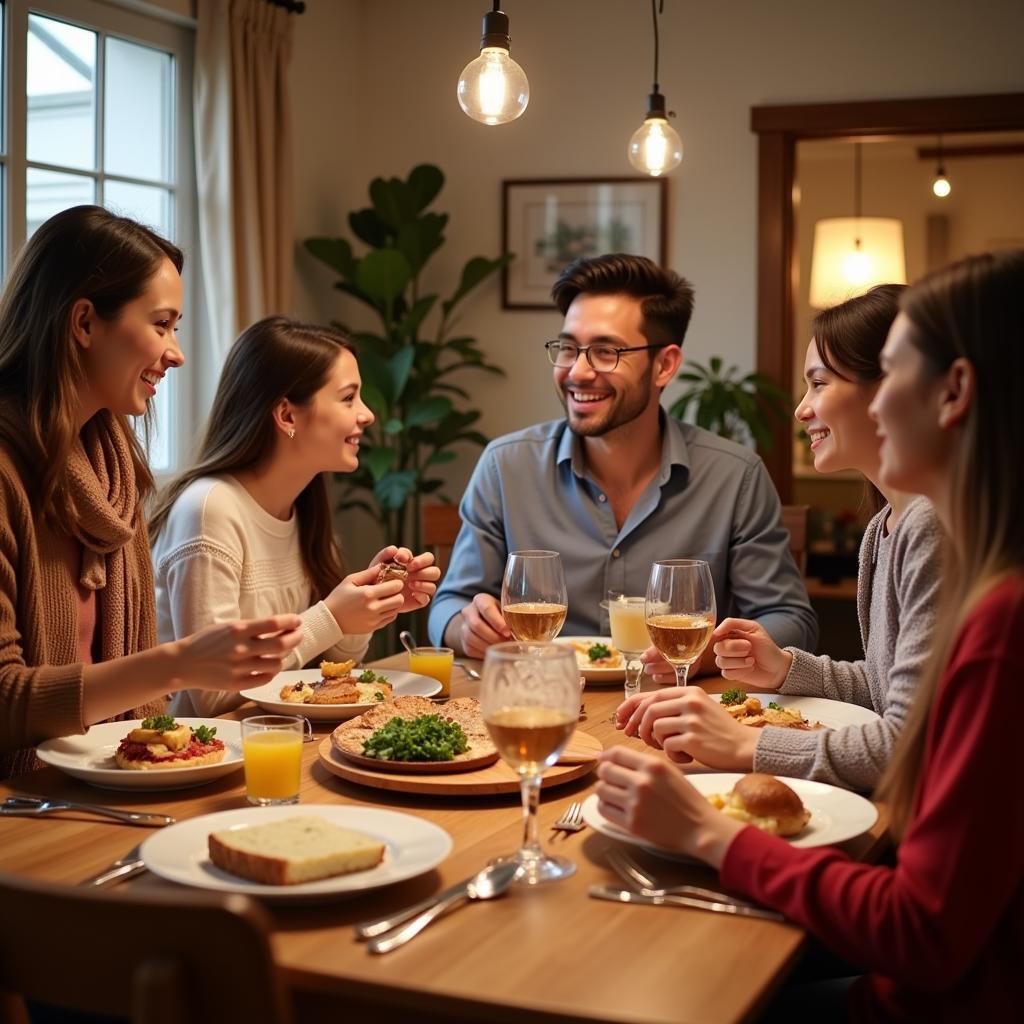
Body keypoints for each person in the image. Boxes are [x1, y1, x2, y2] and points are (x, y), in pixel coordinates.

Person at [596, 250, 1024, 1020]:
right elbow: (903, 689)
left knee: (664, 977)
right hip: (942, 967)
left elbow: (923, 930)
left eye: (882, 373)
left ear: (954, 391)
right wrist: (789, 668)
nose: (801, 409)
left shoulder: (1001, 621)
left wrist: (714, 827)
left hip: (946, 997)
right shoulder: (919, 546)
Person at [0, 206, 302, 780]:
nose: (177, 352)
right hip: (21, 810)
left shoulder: (114, 472)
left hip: (106, 790)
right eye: (161, 325)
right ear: (84, 323)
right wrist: (177, 664)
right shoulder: (7, 475)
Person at [616, 285, 942, 790]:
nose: (802, 409)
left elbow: (909, 745)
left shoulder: (930, 526)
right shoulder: (885, 527)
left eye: (819, 384)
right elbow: (888, 691)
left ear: (889, 388)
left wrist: (744, 745)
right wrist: (786, 669)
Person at [428, 253, 817, 663]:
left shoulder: (735, 477)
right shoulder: (505, 466)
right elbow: (449, 606)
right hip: (540, 706)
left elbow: (790, 620)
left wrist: (708, 652)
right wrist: (464, 627)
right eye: (568, 348)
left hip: (670, 711)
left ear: (664, 365)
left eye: (605, 351)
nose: (577, 371)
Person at [150, 315, 441, 717]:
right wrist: (330, 617)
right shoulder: (209, 510)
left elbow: (328, 680)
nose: (367, 415)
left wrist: (368, 609)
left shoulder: (303, 506)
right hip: (197, 762)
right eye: (348, 398)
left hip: (272, 743)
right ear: (287, 415)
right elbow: (212, 698)